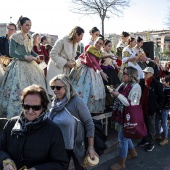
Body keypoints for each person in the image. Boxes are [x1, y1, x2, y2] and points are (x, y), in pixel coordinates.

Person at [0, 84, 68, 170]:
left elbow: (61, 163)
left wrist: (36, 169)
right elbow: (1, 149)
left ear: (43, 107)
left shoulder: (53, 131)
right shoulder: (11, 124)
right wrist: (6, 160)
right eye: (26, 106)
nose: (30, 111)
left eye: (36, 107)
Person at [0, 16, 49, 118]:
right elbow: (12, 53)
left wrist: (36, 56)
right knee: (17, 87)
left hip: (31, 65)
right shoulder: (15, 37)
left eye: (30, 25)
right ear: (20, 25)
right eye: (27, 25)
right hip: (18, 65)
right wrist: (24, 57)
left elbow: (30, 50)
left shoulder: (30, 37)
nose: (29, 27)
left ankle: (36, 108)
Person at [48, 74, 96, 170]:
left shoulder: (76, 102)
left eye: (58, 87)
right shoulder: (55, 102)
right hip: (58, 147)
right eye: (52, 87)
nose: (54, 90)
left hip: (74, 146)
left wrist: (91, 147)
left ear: (67, 87)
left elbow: (89, 124)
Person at [110, 66, 141, 170]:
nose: (122, 74)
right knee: (125, 137)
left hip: (127, 116)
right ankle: (133, 153)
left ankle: (121, 163)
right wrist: (114, 92)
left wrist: (117, 95)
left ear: (131, 76)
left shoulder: (136, 86)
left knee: (122, 139)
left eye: (125, 73)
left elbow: (131, 104)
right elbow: (118, 95)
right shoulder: (124, 84)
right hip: (121, 114)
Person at [69, 36, 111, 115]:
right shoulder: (90, 49)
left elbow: (99, 57)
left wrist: (108, 56)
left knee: (92, 90)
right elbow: (93, 61)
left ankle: (90, 110)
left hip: (94, 71)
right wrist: (101, 72)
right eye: (97, 42)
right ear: (94, 41)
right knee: (83, 87)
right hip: (86, 70)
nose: (98, 44)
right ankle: (79, 108)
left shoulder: (99, 51)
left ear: (102, 45)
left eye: (100, 44)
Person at [46, 26, 84, 96]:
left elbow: (71, 56)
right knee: (55, 90)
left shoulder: (75, 43)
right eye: (80, 36)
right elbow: (52, 54)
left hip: (65, 70)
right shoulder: (62, 41)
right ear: (76, 34)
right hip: (56, 68)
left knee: (63, 91)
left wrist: (73, 62)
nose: (81, 39)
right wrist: (65, 62)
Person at [138, 67, 165, 152]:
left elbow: (161, 98)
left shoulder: (157, 84)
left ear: (151, 74)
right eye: (144, 73)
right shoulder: (141, 82)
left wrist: (156, 108)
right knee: (143, 125)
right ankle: (145, 139)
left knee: (150, 126)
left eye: (146, 73)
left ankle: (151, 142)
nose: (144, 74)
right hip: (141, 108)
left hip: (150, 109)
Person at [155, 75, 170, 146]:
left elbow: (166, 101)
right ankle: (158, 135)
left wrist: (162, 107)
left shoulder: (168, 91)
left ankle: (165, 138)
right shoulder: (164, 89)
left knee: (164, 123)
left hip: (164, 109)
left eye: (164, 81)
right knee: (157, 121)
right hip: (160, 108)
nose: (163, 82)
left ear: (168, 83)